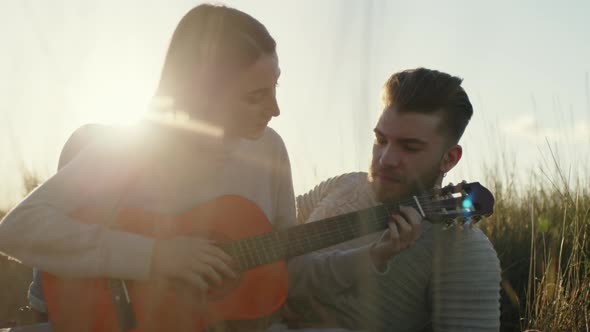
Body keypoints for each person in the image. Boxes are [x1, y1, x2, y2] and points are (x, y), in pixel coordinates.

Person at [0, 4, 421, 332]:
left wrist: (374, 253)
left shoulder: (270, 151)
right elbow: (18, 229)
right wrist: (156, 256)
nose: (275, 109)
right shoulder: (133, 147)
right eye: (254, 96)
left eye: (275, 86)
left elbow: (286, 269)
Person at [280, 68, 502, 332]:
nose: (385, 159)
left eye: (409, 147)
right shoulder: (343, 185)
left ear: (449, 158)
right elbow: (266, 237)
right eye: (381, 140)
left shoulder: (464, 248)